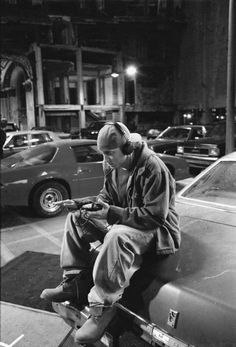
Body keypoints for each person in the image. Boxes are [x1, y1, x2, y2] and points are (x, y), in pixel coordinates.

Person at [40, 121, 181, 345]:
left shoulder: (153, 167)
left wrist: (113, 214)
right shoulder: (112, 166)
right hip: (127, 220)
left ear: (126, 149)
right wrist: (82, 204)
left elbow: (155, 216)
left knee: (117, 235)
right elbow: (105, 198)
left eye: (109, 154)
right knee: (75, 218)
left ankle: (103, 307)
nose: (106, 160)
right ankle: (74, 283)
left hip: (156, 230)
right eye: (103, 154)